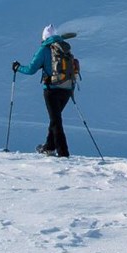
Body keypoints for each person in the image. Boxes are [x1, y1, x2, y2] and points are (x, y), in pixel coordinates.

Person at [13, 25, 77, 157]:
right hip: (67, 89)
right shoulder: (64, 47)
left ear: (44, 37)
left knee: (56, 120)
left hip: (51, 89)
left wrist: (18, 67)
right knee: (55, 118)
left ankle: (63, 152)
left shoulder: (44, 49)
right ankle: (49, 147)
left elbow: (31, 69)